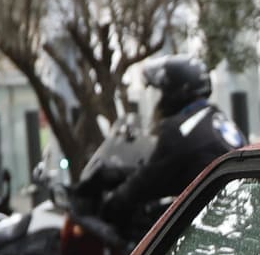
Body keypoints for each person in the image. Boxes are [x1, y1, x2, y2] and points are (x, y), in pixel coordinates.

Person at [102, 59, 242, 232]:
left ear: (175, 93)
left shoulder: (178, 130)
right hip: (232, 218)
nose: (159, 101)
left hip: (205, 228)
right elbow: (178, 172)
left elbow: (148, 181)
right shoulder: (217, 120)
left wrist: (114, 202)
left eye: (162, 93)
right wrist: (122, 173)